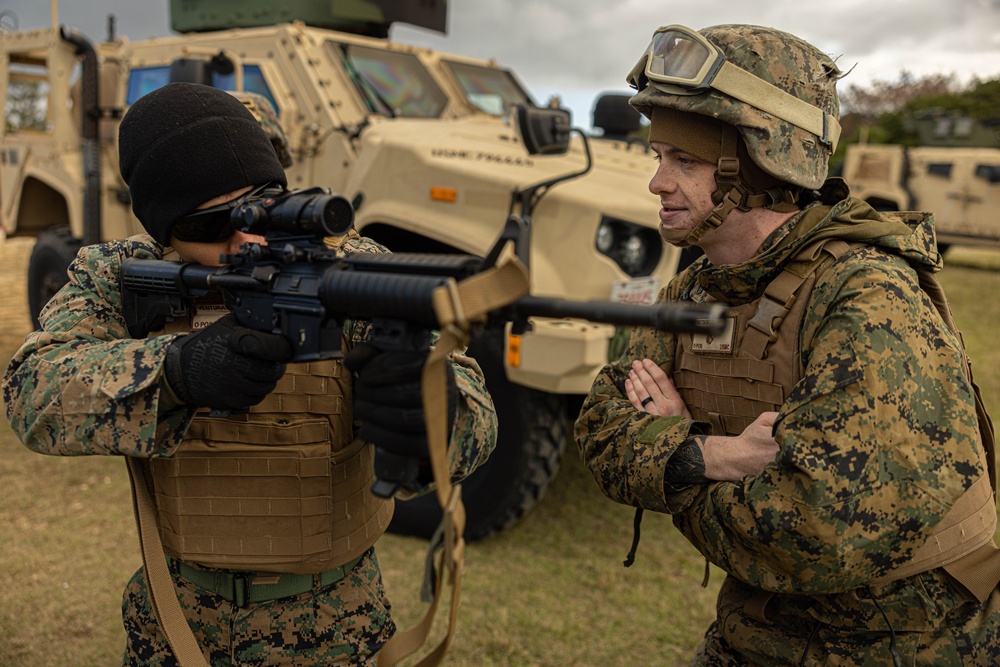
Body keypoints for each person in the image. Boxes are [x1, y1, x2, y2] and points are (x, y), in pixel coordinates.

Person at [3, 82, 497, 666]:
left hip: (337, 627)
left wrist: (437, 413)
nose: (249, 239)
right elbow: (30, 392)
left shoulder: (354, 269)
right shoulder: (117, 275)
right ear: (165, 233)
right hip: (175, 622)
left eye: (264, 205)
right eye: (213, 228)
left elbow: (476, 418)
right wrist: (176, 372)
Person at [575, 24, 1000, 665]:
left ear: (758, 163)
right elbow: (602, 431)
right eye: (656, 156)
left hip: (910, 642)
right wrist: (709, 454)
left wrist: (669, 469)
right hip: (762, 629)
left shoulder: (867, 297)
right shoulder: (697, 287)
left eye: (683, 160)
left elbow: (815, 531)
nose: (656, 183)